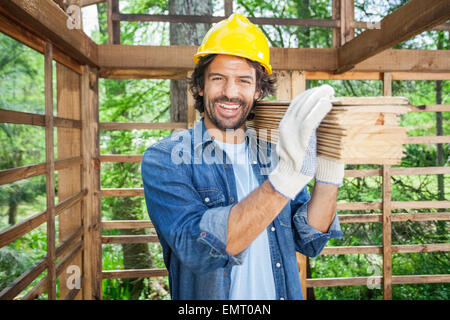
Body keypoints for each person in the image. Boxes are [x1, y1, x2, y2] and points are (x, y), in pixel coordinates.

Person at [141, 13, 344, 300]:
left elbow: (310, 239)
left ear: (258, 90)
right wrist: (285, 179)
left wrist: (328, 172)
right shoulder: (166, 160)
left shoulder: (274, 154)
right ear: (200, 86)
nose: (230, 92)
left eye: (243, 81)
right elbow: (198, 250)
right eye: (218, 78)